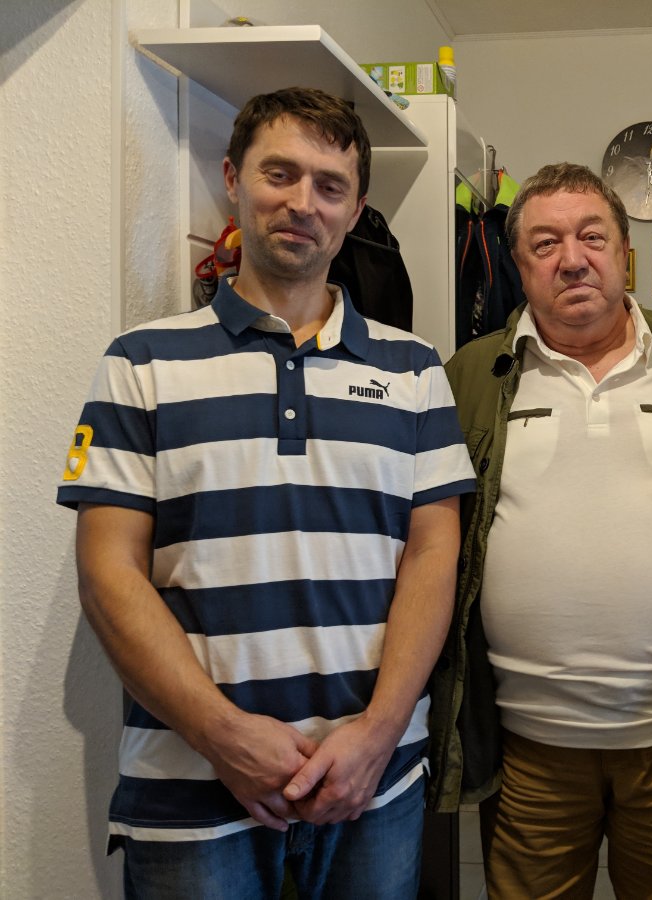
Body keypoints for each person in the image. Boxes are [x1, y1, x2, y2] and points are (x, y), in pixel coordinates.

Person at [57, 86, 475, 898]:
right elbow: (108, 573)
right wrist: (223, 736)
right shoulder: (141, 363)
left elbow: (433, 557)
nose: (302, 203)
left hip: (373, 782)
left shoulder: (416, 369)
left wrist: (377, 733)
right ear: (233, 180)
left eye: (330, 185)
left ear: (356, 210)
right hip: (191, 788)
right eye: (279, 173)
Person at [426, 162, 652, 899]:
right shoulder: (470, 375)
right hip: (528, 750)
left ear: (625, 254)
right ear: (518, 265)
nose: (572, 259)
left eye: (592, 237)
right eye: (545, 244)